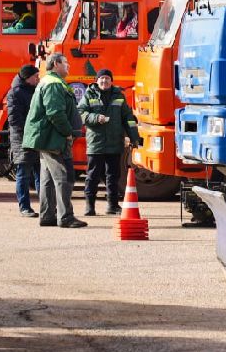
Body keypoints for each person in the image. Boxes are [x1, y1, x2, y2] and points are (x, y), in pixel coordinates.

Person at [21, 53, 87, 228]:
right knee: (62, 177)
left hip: (47, 137)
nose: (69, 66)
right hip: (52, 138)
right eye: (66, 63)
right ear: (56, 64)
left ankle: (48, 215)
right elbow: (55, 113)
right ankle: (65, 217)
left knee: (48, 179)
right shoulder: (53, 84)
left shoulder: (50, 82)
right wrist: (67, 132)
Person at [78, 68, 139, 216]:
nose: (104, 81)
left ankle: (112, 206)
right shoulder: (89, 94)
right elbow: (80, 113)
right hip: (96, 143)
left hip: (114, 142)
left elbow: (128, 118)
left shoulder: (119, 96)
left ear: (112, 81)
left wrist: (134, 137)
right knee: (92, 175)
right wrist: (95, 118)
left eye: (107, 78)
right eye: (102, 79)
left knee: (113, 175)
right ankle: (89, 207)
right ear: (97, 81)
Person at [7, 64, 41, 217]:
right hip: (23, 140)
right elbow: (15, 120)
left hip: (36, 138)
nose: (38, 79)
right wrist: (30, 133)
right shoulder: (15, 93)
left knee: (41, 175)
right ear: (27, 78)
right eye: (35, 76)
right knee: (24, 174)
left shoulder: (34, 90)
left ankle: (46, 206)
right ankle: (25, 207)